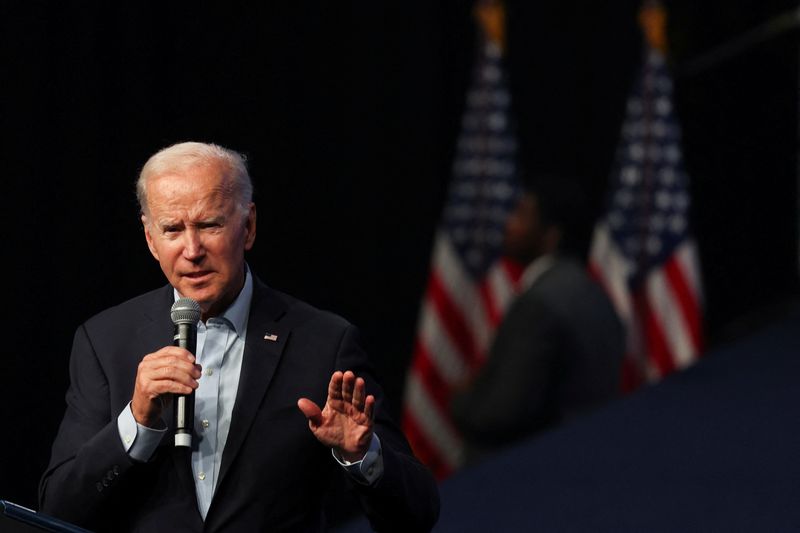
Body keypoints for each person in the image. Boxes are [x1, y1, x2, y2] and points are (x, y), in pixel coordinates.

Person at [38, 141, 439, 532]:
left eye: (209, 225)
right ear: (150, 240)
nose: (192, 250)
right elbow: (59, 509)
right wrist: (137, 423)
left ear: (247, 227)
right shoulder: (105, 340)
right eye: (173, 229)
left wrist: (361, 455)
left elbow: (418, 514)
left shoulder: (323, 342)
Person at [451, 176, 625, 466]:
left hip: (532, 472)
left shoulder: (539, 305)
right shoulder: (592, 292)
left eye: (520, 216)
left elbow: (505, 412)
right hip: (588, 460)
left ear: (550, 234)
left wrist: (461, 401)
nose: (508, 224)